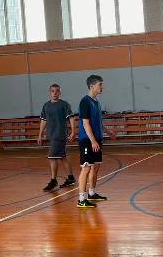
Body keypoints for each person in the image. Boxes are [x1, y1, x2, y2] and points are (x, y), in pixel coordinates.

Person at [76, 75, 117, 208]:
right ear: (92, 86)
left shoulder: (97, 102)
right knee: (86, 168)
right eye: (100, 84)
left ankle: (91, 193)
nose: (102, 87)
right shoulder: (85, 101)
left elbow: (99, 122)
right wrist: (93, 141)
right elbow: (85, 123)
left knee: (96, 167)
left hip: (97, 139)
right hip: (87, 139)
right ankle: (81, 200)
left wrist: (108, 132)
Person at [38, 84, 76, 191]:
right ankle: (71, 178)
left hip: (60, 134)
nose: (55, 93)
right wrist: (40, 134)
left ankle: (53, 180)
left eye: (57, 91)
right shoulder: (46, 105)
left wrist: (73, 131)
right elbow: (43, 120)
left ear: (60, 93)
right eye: (53, 91)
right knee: (62, 157)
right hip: (51, 134)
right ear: (49, 92)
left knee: (52, 157)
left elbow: (71, 118)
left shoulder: (64, 104)